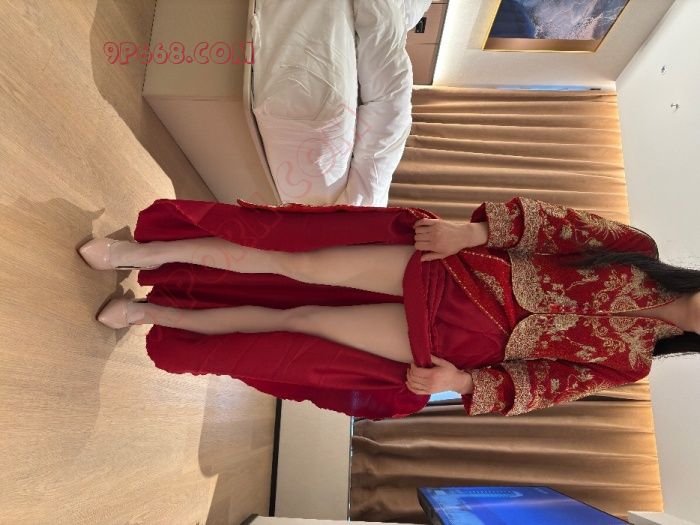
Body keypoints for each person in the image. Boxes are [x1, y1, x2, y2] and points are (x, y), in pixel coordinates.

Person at [77, 196, 700, 420]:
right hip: (458, 270)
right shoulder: (639, 251)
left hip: (459, 346)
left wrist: (462, 384)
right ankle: (142, 253)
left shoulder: (632, 364)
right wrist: (471, 232)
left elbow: (543, 386)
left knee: (301, 323)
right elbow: (554, 227)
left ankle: (148, 315)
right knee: (293, 262)